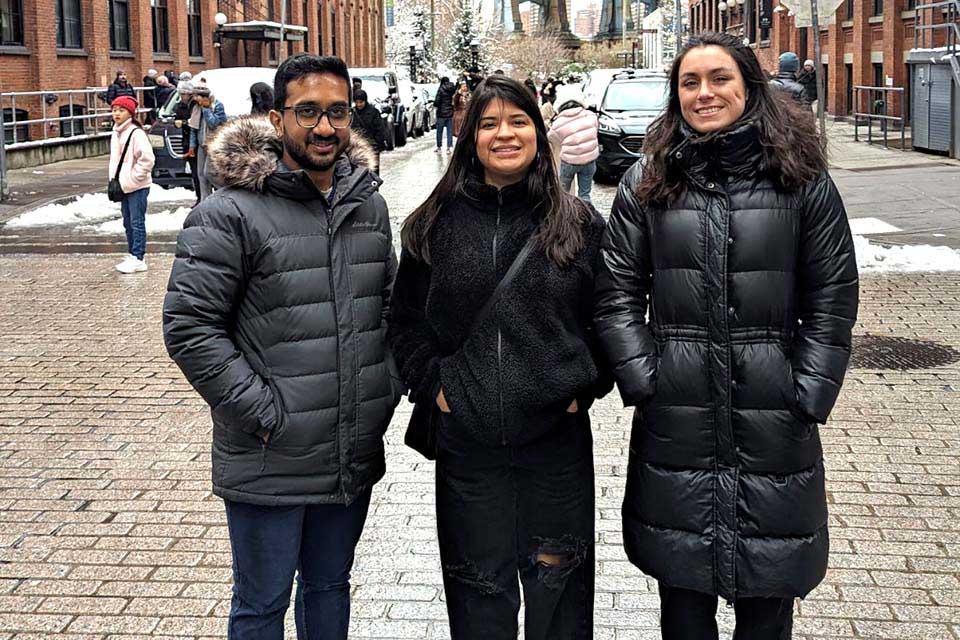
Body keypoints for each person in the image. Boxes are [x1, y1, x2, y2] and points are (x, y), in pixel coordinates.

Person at [593, 31, 859, 640]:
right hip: (678, 412)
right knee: (683, 599)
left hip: (774, 412)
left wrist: (809, 388)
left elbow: (832, 293)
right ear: (676, 94)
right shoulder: (647, 180)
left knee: (769, 595)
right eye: (690, 82)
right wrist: (644, 376)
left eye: (719, 80)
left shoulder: (800, 178)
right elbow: (616, 293)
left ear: (749, 88)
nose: (705, 93)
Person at [163, 53, 400, 640]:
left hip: (348, 446)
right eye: (308, 112)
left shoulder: (367, 207)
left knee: (328, 589)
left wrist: (383, 390)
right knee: (262, 603)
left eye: (338, 112)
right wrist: (263, 413)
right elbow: (191, 328)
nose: (324, 128)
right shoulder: (229, 213)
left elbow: (391, 312)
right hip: (271, 453)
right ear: (276, 118)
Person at [388, 74, 611, 640]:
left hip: (554, 448)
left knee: (558, 593)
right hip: (470, 447)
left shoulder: (579, 224)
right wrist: (436, 386)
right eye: (489, 123)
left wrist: (582, 388)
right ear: (470, 136)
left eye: (518, 121)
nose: (504, 134)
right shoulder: (432, 223)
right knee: (477, 594)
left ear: (539, 131)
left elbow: (610, 320)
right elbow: (405, 324)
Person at [108, 96, 155, 274]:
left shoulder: (136, 133)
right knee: (127, 221)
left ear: (130, 113)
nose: (116, 114)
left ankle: (138, 257)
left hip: (136, 185)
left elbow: (147, 159)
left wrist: (134, 178)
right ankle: (132, 253)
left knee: (136, 221)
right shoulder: (117, 132)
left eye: (121, 110)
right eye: (114, 110)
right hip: (123, 185)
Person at [548, 84, 599, 203]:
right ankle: (586, 215)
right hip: (589, 161)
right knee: (585, 193)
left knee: (564, 193)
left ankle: (566, 216)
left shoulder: (558, 122)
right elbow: (595, 131)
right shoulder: (591, 116)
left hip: (569, 162)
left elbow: (552, 138)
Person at [188, 85, 227, 200]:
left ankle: (223, 194)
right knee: (201, 174)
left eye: (197, 96)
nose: (195, 99)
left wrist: (206, 109)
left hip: (213, 144)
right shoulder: (196, 108)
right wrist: (192, 145)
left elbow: (214, 123)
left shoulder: (217, 106)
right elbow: (193, 129)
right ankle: (205, 199)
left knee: (209, 173)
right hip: (201, 144)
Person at [173, 82, 201, 204]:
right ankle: (199, 196)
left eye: (184, 94)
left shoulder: (194, 105)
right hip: (186, 140)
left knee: (199, 172)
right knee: (194, 172)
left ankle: (202, 196)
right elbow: (176, 120)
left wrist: (184, 122)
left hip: (195, 142)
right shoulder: (179, 106)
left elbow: (194, 123)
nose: (182, 96)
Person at [351, 89, 389, 173]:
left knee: (372, 171)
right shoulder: (352, 113)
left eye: (361, 102)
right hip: (358, 148)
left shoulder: (373, 112)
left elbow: (380, 129)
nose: (359, 104)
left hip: (372, 147)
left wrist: (376, 144)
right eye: (357, 102)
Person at [434, 76, 456, 153]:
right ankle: (449, 147)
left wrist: (436, 105)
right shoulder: (452, 89)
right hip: (450, 113)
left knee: (439, 131)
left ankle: (439, 147)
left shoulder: (441, 89)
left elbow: (437, 101)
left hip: (441, 114)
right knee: (449, 131)